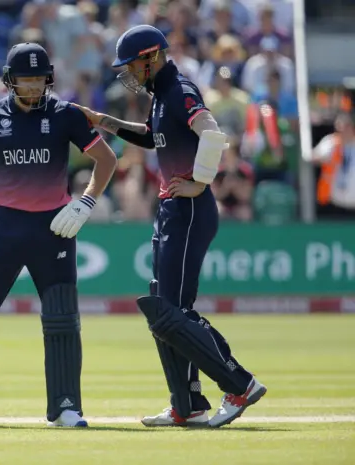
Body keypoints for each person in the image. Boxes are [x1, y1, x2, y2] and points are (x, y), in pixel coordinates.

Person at [73, 25, 267, 428]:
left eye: (131, 65)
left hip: (189, 209)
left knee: (173, 311)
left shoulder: (179, 89)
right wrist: (105, 121)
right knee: (166, 307)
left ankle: (240, 383)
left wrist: (201, 181)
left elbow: (212, 132)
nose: (128, 73)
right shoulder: (162, 95)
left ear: (151, 57)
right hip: (172, 208)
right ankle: (188, 404)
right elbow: (152, 137)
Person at [0, 42, 117, 428]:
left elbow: (106, 160)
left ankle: (66, 407)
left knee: (61, 317)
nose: (32, 87)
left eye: (38, 79)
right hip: (7, 227)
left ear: (48, 79)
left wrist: (84, 203)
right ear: (10, 81)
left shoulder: (66, 115)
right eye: (25, 80)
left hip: (54, 228)